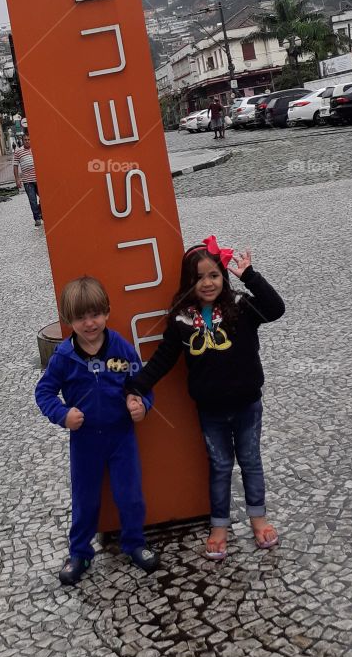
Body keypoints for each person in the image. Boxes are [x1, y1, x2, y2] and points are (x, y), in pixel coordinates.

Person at [125, 235, 285, 561]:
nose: (208, 283)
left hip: (246, 405)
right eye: (199, 278)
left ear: (223, 277)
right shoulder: (182, 319)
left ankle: (259, 519)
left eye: (214, 275)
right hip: (210, 410)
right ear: (189, 282)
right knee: (221, 466)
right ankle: (220, 526)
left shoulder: (241, 306)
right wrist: (136, 386)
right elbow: (164, 359)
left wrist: (251, 275)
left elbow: (276, 309)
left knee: (251, 462)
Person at [35, 275, 160, 586]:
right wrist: (62, 415)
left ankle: (134, 543)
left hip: (121, 437)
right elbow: (44, 392)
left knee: (129, 495)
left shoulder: (122, 348)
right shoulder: (63, 357)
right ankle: (79, 551)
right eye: (80, 318)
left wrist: (141, 403)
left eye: (95, 315)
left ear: (107, 311)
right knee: (85, 498)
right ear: (68, 320)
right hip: (85, 441)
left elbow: (142, 383)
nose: (89, 323)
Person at [13, 132, 42, 226]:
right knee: (32, 200)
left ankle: (40, 211)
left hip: (39, 179)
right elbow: (15, 166)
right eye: (25, 140)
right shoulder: (18, 151)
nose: (27, 141)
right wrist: (17, 179)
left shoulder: (36, 148)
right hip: (27, 181)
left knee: (44, 198)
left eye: (29, 139)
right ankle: (37, 219)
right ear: (22, 141)